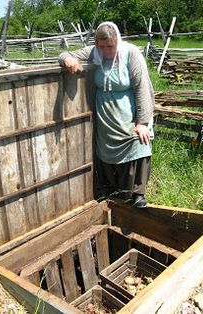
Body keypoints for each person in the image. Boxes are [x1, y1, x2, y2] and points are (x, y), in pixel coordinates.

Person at [58, 21, 154, 208]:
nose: (106, 50)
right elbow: (64, 54)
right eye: (101, 46)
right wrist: (68, 60)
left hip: (128, 114)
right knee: (107, 152)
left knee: (138, 143)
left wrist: (142, 122)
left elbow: (142, 87)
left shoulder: (130, 53)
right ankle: (113, 191)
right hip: (106, 117)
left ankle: (137, 193)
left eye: (110, 46)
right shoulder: (94, 52)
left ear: (117, 41)